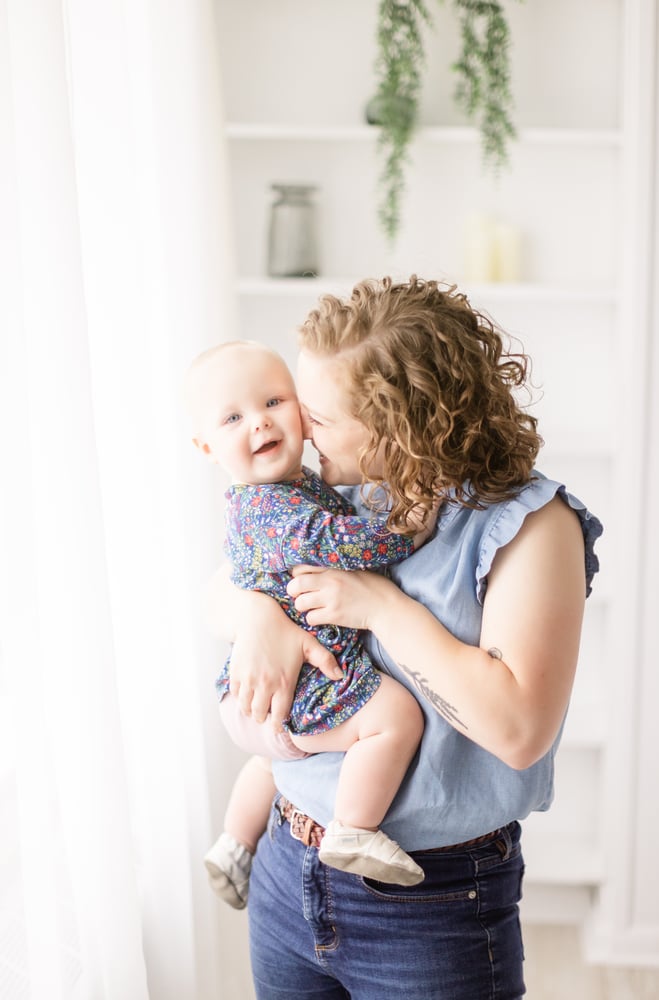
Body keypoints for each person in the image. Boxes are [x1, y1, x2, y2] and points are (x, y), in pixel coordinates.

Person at [211, 277, 603, 1000]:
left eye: (317, 416)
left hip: (428, 901)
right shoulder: (342, 486)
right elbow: (240, 568)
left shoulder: (529, 527)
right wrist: (257, 614)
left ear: (399, 428)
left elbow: (518, 731)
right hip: (284, 859)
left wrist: (384, 610)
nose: (293, 427)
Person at [184, 340, 435, 909]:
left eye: (275, 400)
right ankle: (352, 828)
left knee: (276, 761)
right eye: (233, 417)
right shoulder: (272, 508)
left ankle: (233, 845)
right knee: (394, 716)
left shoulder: (291, 488)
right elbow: (338, 543)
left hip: (262, 694)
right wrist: (405, 528)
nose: (260, 422)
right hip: (297, 689)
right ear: (206, 446)